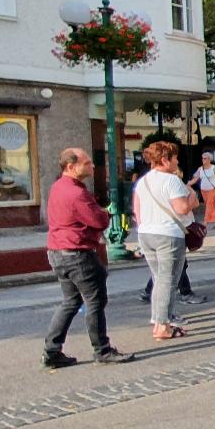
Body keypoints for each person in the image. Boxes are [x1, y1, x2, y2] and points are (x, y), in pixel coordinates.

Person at [41, 147, 133, 367]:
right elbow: (99, 221)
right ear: (71, 166)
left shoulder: (58, 187)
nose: (92, 166)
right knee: (95, 301)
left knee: (71, 301)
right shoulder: (76, 193)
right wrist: (104, 213)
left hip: (58, 252)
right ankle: (102, 350)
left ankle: (51, 351)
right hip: (77, 253)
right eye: (87, 163)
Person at [134, 140, 200, 340]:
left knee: (158, 279)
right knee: (168, 281)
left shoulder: (143, 182)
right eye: (175, 158)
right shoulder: (171, 180)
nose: (177, 161)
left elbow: (137, 211)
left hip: (146, 233)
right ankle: (162, 325)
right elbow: (182, 208)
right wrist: (193, 198)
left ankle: (158, 320)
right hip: (168, 234)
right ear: (164, 160)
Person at [189, 152, 215, 229]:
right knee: (211, 206)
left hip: (212, 190)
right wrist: (187, 184)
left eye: (205, 158)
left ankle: (205, 223)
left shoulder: (214, 168)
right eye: (202, 158)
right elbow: (195, 179)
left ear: (209, 159)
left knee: (209, 206)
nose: (203, 160)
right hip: (203, 190)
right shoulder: (200, 169)